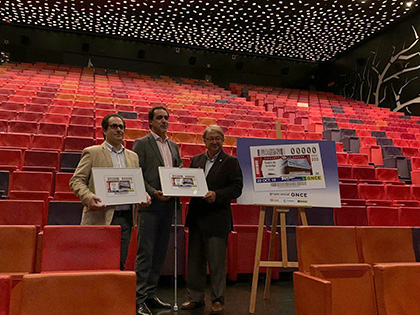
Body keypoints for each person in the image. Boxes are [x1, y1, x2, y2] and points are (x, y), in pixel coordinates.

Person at [69, 113, 149, 271]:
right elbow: (76, 181)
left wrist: (143, 194)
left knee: (119, 264)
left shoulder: (132, 156)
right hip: (101, 216)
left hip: (126, 218)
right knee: (95, 263)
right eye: (114, 126)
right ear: (104, 130)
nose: (119, 130)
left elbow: (135, 184)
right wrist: (89, 197)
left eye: (121, 127)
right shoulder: (92, 152)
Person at [181, 125, 243, 315]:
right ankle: (196, 298)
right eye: (211, 138)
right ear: (204, 141)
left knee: (216, 264)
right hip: (197, 218)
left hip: (217, 219)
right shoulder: (196, 160)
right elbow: (189, 184)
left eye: (219, 138)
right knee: (195, 262)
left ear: (223, 141)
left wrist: (217, 194)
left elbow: (237, 188)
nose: (215, 142)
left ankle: (217, 300)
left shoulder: (231, 162)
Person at [132, 106, 182, 315]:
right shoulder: (142, 144)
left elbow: (178, 171)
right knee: (146, 252)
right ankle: (139, 298)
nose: (164, 121)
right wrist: (153, 192)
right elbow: (136, 174)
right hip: (150, 205)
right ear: (150, 122)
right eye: (159, 118)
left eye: (166, 118)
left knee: (160, 253)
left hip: (168, 206)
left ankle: (151, 294)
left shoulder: (173, 145)